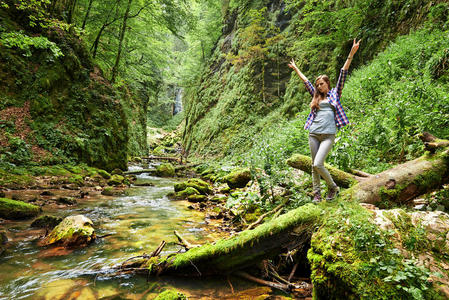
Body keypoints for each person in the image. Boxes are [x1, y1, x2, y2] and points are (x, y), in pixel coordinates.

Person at [288, 39, 361, 202]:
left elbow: (343, 72)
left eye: (321, 84)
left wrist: (351, 53)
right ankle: (317, 194)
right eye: (317, 85)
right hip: (313, 133)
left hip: (328, 134)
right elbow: (305, 81)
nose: (319, 87)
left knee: (317, 164)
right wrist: (296, 69)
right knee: (314, 166)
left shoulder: (336, 93)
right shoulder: (316, 97)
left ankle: (333, 187)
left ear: (327, 84)